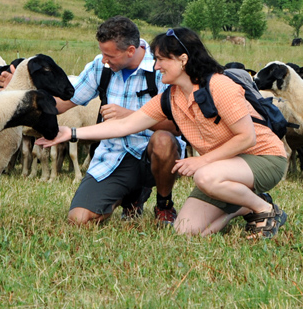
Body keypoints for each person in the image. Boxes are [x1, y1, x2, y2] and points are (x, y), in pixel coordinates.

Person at [38, 26, 289, 239]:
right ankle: (242, 206)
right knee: (186, 231)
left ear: (183, 59)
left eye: (161, 59)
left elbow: (247, 137)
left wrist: (201, 161)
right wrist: (70, 133)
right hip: (221, 167)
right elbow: (125, 125)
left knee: (204, 176)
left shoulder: (220, 86)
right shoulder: (171, 98)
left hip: (261, 158)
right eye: (155, 59)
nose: (156, 66)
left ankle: (265, 210)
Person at [0, 16, 181, 225]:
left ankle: (164, 204)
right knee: (79, 219)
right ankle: (131, 196)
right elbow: (61, 104)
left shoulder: (162, 69)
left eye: (109, 55)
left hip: (152, 152)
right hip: (114, 154)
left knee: (163, 140)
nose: (104, 60)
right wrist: (20, 91)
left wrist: (130, 116)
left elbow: (178, 126)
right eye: (102, 53)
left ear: (130, 50)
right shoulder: (100, 67)